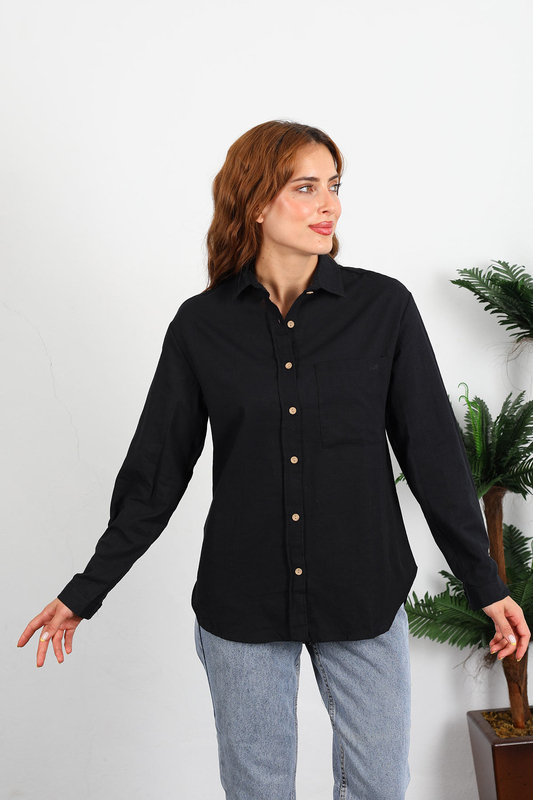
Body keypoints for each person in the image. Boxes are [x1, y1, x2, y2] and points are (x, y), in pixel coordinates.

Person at [18, 120, 530, 800]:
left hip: (362, 592)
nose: (330, 205)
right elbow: (154, 478)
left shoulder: (383, 309)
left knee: (379, 786)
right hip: (243, 600)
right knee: (257, 791)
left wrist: (485, 584)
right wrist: (85, 591)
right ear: (257, 201)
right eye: (306, 187)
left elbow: (434, 458)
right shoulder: (200, 326)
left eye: (334, 186)